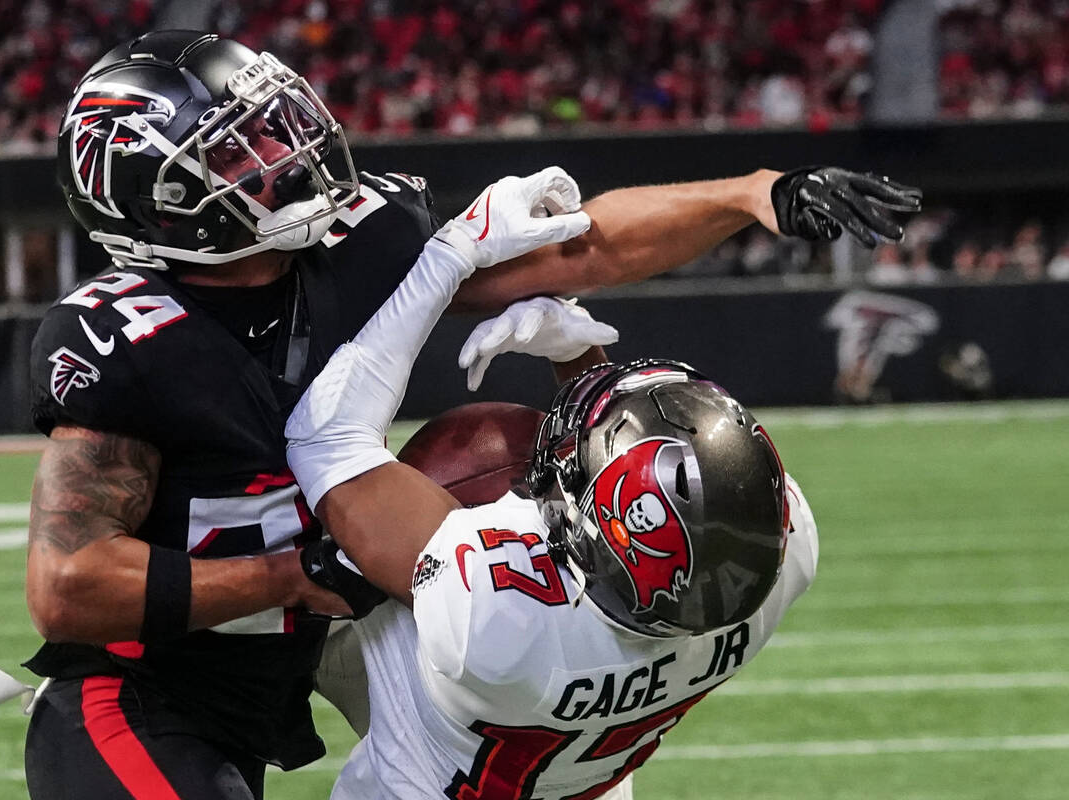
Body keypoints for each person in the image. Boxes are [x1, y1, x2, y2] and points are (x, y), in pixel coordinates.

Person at [23, 29, 913, 800]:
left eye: (275, 126)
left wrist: (752, 193)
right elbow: (68, 588)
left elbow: (582, 248)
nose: (285, 155)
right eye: (236, 153)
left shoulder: (355, 243)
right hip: (161, 679)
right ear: (159, 203)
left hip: (338, 625)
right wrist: (286, 576)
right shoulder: (127, 340)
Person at [284, 171, 818, 799]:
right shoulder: (774, 566)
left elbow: (326, 436)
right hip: (573, 774)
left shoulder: (492, 620)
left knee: (316, 553)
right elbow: (631, 526)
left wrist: (453, 254)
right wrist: (577, 362)